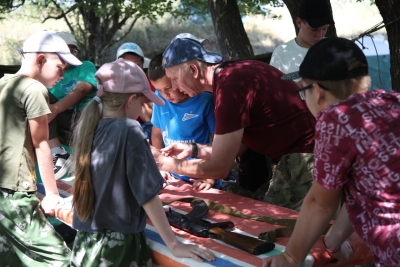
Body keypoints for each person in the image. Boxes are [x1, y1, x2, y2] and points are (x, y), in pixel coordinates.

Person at [263, 37, 400, 267]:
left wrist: (290, 257)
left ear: (316, 91)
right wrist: (334, 241)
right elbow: (370, 189)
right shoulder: (391, 101)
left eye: (302, 91)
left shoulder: (336, 118)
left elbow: (320, 203)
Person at [69, 58, 215, 266]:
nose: (143, 110)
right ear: (130, 102)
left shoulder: (91, 126)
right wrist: (174, 244)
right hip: (118, 247)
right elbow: (147, 195)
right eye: (143, 103)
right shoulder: (129, 129)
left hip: (86, 243)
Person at [154, 38, 316, 211]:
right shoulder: (230, 75)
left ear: (193, 70)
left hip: (303, 157)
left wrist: (162, 163)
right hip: (294, 155)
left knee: (276, 222)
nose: (175, 87)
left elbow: (220, 167)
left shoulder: (230, 89)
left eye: (174, 79)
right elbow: (237, 145)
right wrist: (194, 150)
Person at [0, 30, 82, 266]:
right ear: (41, 59)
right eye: (60, 65)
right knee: (60, 260)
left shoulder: (4, 83)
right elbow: (41, 143)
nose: (63, 72)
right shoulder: (35, 90)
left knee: (11, 258)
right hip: (16, 193)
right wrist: (53, 196)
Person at [148, 53, 222, 190]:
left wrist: (210, 177)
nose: (165, 95)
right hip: (173, 176)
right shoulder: (159, 99)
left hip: (201, 175)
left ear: (177, 79)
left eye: (168, 88)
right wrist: (161, 168)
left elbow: (218, 144)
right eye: (159, 90)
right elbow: (157, 133)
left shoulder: (204, 100)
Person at [48, 31, 97, 179]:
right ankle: (57, 151)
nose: (69, 54)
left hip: (88, 115)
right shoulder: (51, 74)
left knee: (45, 101)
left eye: (73, 50)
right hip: (66, 118)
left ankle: (58, 153)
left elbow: (82, 89)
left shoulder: (85, 66)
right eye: (64, 51)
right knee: (40, 97)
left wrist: (56, 109)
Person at [269, 0, 334, 83]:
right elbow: (276, 89)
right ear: (299, 22)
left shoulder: (333, 47)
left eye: (324, 29)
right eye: (314, 29)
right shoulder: (281, 53)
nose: (320, 35)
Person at [116, 42, 154, 142]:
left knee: (149, 129)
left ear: (142, 65)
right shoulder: (112, 84)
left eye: (136, 65)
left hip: (143, 126)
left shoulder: (149, 82)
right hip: (119, 125)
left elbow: (147, 117)